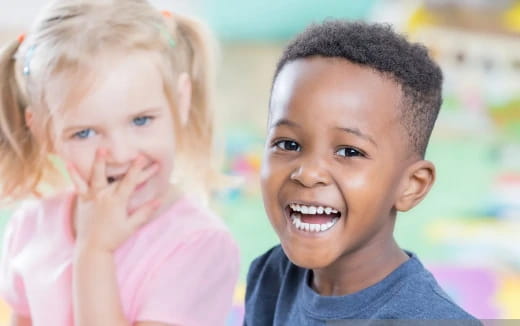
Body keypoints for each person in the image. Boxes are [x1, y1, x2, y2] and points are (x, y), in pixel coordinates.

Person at [0, 1, 239, 325]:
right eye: (84, 133)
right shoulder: (30, 226)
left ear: (180, 102)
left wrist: (94, 251)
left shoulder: (200, 245)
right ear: (44, 133)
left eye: (141, 121)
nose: (121, 153)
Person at [244, 20, 479, 325]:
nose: (308, 173)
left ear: (411, 185)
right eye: (288, 144)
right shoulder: (270, 276)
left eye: (349, 151)